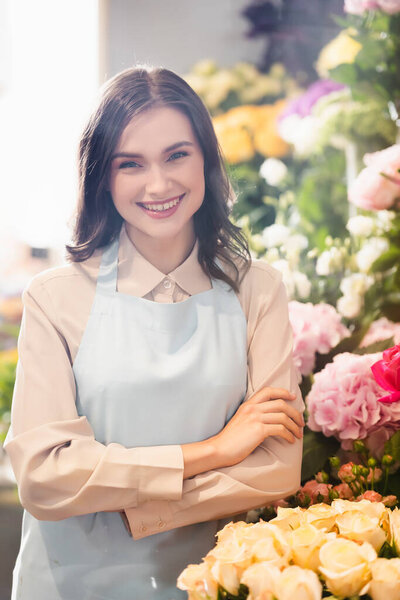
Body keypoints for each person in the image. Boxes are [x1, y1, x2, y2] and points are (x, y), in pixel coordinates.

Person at [4, 65, 305, 600]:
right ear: (101, 175)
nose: (159, 184)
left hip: (215, 580)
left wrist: (125, 502)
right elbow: (44, 477)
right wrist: (213, 450)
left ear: (207, 160)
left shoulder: (259, 291)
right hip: (70, 583)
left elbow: (276, 468)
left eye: (177, 155)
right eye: (131, 164)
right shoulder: (54, 297)